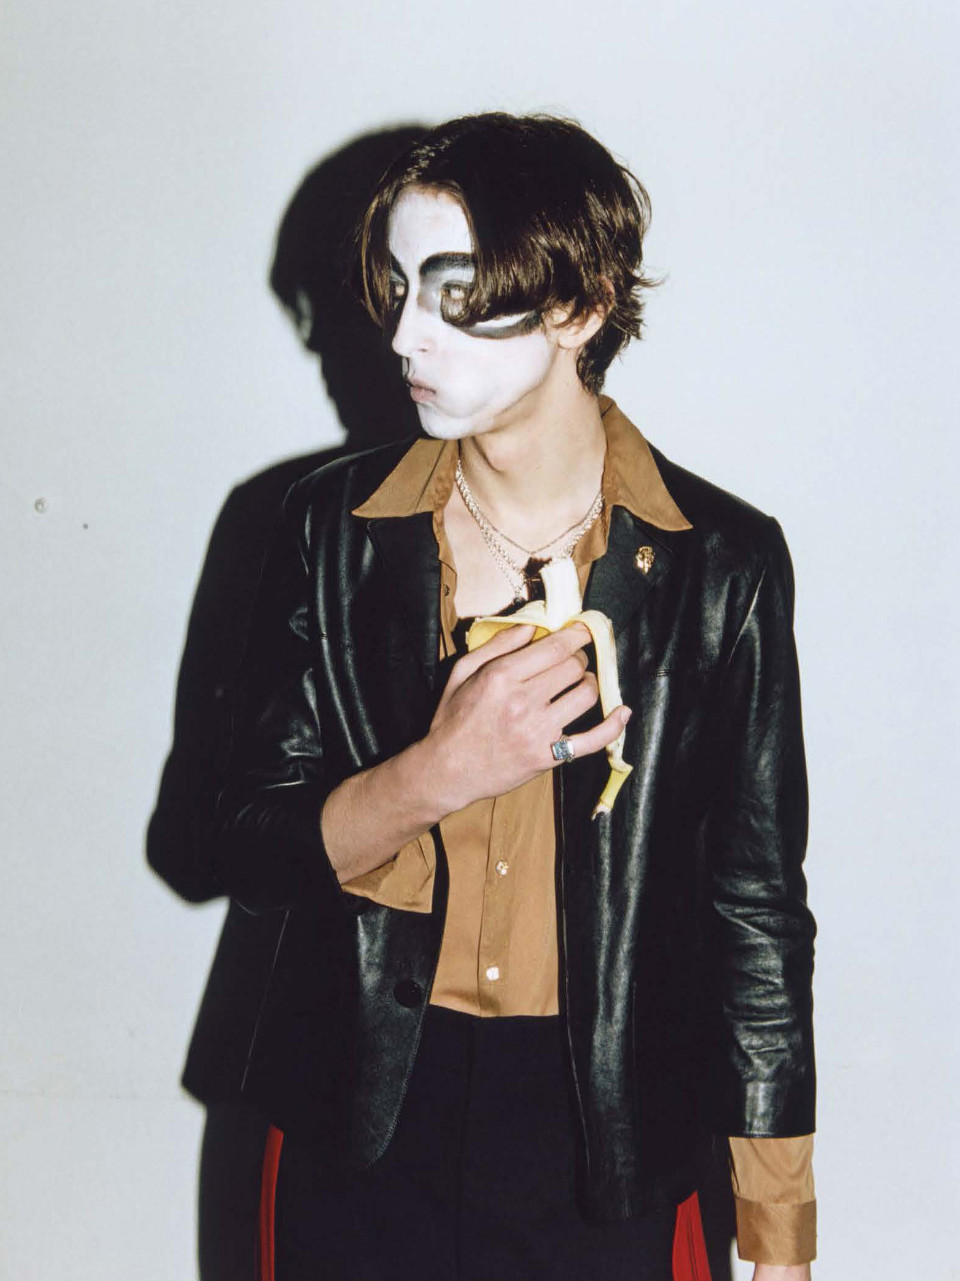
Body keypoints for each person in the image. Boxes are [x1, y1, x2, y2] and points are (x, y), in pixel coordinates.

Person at [213, 113, 817, 1280]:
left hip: (607, 1132)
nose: (405, 334)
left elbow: (755, 909)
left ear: (580, 307)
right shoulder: (329, 532)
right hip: (359, 1110)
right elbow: (239, 844)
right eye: (398, 288)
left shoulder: (721, 566)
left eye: (456, 293)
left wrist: (779, 1231)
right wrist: (435, 774)